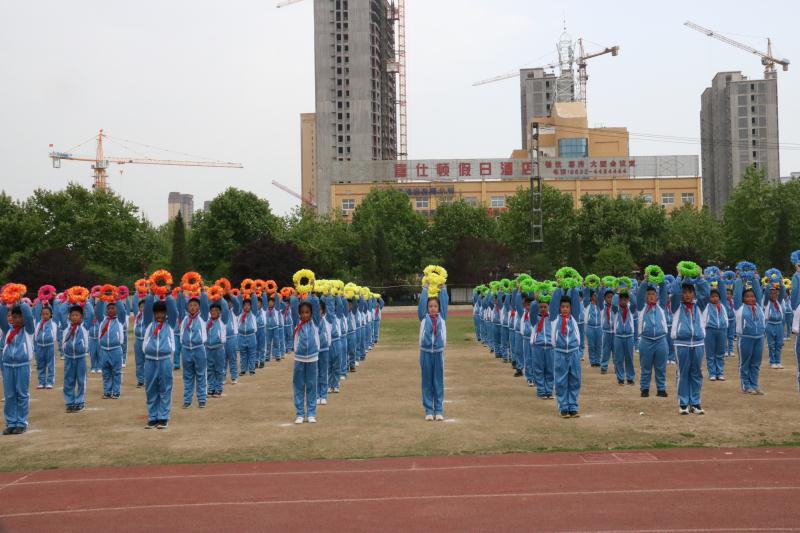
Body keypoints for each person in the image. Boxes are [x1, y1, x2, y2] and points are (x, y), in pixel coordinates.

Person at [670, 275, 709, 415]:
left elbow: (706, 292)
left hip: (698, 343)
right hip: (681, 343)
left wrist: (700, 277)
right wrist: (679, 276)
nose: (687, 295)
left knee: (696, 373)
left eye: (689, 292)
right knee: (683, 373)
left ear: (694, 294)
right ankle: (683, 403)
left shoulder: (699, 306)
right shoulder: (676, 306)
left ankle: (696, 403)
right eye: (684, 292)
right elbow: (673, 292)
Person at [142, 293, 179, 429]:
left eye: (162, 313)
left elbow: (174, 310)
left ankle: (163, 417)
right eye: (156, 313)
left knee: (165, 388)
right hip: (150, 360)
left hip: (165, 360)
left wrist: (168, 295)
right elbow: (146, 309)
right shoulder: (148, 324)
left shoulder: (170, 325)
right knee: (150, 389)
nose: (159, 316)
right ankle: (152, 417)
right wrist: (151, 294)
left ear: (166, 313)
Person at [1, 302, 35, 434]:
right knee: (9, 395)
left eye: (19, 317)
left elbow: (28, 315)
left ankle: (21, 422)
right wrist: (4, 303)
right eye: (14, 317)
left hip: (22, 366)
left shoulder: (28, 330)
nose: (17, 320)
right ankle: (11, 422)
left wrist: (21, 302)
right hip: (8, 366)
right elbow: (1, 315)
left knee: (22, 394)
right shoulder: (7, 330)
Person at [418, 283, 448, 421]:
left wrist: (443, 289)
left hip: (438, 352)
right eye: (430, 306)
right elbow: (422, 304)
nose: (433, 309)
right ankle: (429, 410)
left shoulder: (442, 317)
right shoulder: (424, 318)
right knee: (427, 381)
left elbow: (445, 303)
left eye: (435, 306)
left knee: (438, 381)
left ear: (439, 307)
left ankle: (439, 410)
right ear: (427, 308)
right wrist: (425, 290)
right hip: (425, 353)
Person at [636, 279, 669, 397]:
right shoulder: (641, 308)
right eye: (648, 294)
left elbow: (664, 291)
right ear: (645, 296)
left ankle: (661, 389)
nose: (651, 296)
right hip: (645, 340)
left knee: (661, 367)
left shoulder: (661, 307)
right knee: (646, 367)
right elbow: (639, 294)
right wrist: (644, 281)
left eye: (653, 294)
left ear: (657, 296)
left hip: (661, 340)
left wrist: (661, 281)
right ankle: (644, 389)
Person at [552, 291, 582, 417]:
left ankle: (573, 406)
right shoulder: (555, 319)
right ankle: (563, 406)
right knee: (561, 380)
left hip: (574, 352)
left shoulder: (573, 318)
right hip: (560, 353)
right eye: (563, 307)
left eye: (567, 307)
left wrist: (573, 286)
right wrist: (559, 287)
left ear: (571, 308)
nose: (565, 309)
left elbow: (575, 300)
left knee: (575, 379)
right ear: (559, 308)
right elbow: (553, 303)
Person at [293, 295, 322, 424]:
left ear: (311, 314)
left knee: (311, 386)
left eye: (307, 312)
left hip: (312, 359)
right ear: (299, 314)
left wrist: (313, 295)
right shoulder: (296, 323)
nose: (305, 315)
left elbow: (316, 307)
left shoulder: (315, 323)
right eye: (302, 312)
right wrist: (296, 294)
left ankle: (311, 413)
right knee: (299, 386)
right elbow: (294, 305)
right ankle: (300, 414)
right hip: (299, 359)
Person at [734, 277, 765, 394]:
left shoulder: (759, 307)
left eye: (752, 296)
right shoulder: (739, 307)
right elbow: (737, 293)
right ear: (742, 298)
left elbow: (758, 291)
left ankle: (754, 385)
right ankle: (746, 385)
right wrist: (739, 280)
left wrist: (755, 279)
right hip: (745, 338)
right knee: (745, 363)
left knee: (756, 363)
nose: (750, 298)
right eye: (747, 296)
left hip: (759, 338)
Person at [61, 302, 94, 412]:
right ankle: (70, 402)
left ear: (81, 317)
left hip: (80, 358)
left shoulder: (84, 327)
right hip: (69, 358)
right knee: (68, 381)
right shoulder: (66, 327)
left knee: (81, 381)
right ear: (69, 317)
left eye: (77, 315)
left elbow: (91, 313)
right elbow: (61, 312)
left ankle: (80, 402)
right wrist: (67, 301)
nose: (74, 317)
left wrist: (86, 301)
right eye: (72, 315)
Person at [179, 293, 208, 408]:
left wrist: (203, 291)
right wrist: (181, 291)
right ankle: (187, 400)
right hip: (186, 350)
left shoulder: (202, 318)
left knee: (201, 374)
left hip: (199, 349)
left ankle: (201, 399)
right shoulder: (184, 319)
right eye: (190, 305)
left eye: (195, 305)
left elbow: (205, 303)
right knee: (188, 375)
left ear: (199, 307)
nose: (192, 307)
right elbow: (180, 304)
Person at [96, 297, 128, 399]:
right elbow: (97, 310)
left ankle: (116, 391)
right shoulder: (102, 320)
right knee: (106, 372)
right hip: (104, 350)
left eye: (113, 308)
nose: (110, 310)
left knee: (116, 372)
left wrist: (117, 298)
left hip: (116, 349)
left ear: (117, 309)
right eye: (108, 309)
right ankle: (107, 391)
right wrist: (101, 299)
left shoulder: (120, 320)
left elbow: (122, 310)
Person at [530, 292, 555, 400]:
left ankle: (549, 391)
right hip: (538, 347)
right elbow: (532, 311)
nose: (543, 309)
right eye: (541, 307)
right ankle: (541, 391)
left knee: (550, 369)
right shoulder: (535, 318)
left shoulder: (553, 318)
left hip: (550, 347)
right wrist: (536, 300)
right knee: (539, 369)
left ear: (549, 307)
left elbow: (555, 307)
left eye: (545, 307)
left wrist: (552, 295)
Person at [703, 286, 730, 381]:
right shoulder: (706, 305)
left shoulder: (722, 305)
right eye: (712, 296)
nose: (714, 298)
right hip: (710, 330)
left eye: (716, 296)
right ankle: (712, 373)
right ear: (709, 298)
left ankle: (720, 372)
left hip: (722, 330)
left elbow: (723, 290)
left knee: (720, 352)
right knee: (710, 353)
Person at [205, 298, 229, 398]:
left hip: (219, 348)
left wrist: (220, 297)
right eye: (212, 311)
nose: (214, 312)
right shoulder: (206, 321)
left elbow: (226, 309)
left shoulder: (222, 320)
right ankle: (211, 388)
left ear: (220, 312)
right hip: (208, 348)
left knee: (219, 369)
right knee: (210, 369)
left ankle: (218, 388)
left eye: (216, 311)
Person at [612, 289, 636, 386]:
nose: (623, 301)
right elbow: (613, 303)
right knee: (618, 358)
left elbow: (634, 302)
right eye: (621, 299)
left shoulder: (631, 309)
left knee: (629, 358)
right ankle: (620, 378)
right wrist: (617, 293)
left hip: (629, 336)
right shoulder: (616, 309)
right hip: (618, 336)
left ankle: (630, 378)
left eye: (625, 299)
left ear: (627, 300)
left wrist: (629, 292)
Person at [33, 303, 57, 389]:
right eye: (43, 314)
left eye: (47, 314)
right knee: (40, 364)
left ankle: (50, 381)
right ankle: (41, 382)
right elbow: (35, 335)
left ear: (51, 315)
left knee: (50, 364)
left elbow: (54, 336)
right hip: (40, 346)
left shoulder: (53, 324)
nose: (45, 315)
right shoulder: (38, 324)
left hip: (49, 346)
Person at [762, 279, 786, 369]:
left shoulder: (778, 302)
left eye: (776, 293)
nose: (774, 295)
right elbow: (767, 292)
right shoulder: (766, 303)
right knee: (771, 345)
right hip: (770, 325)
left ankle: (778, 361)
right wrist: (769, 282)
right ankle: (772, 361)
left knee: (779, 344)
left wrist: (780, 282)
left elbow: (783, 291)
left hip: (779, 325)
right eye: (772, 293)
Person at [238, 293, 258, 376]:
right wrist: (241, 294)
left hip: (251, 335)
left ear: (251, 306)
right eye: (245, 305)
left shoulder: (253, 313)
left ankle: (252, 369)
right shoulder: (240, 313)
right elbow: (238, 302)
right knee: (243, 353)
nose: (246, 307)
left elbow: (255, 302)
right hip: (242, 335)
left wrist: (253, 293)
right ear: (243, 306)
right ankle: (243, 369)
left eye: (248, 305)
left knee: (252, 353)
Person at [222, 294, 240, 385]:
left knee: (232, 358)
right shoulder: (219, 312)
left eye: (229, 302)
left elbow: (237, 303)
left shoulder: (234, 311)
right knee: (223, 359)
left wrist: (231, 294)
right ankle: (223, 377)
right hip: (223, 338)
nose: (227, 304)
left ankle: (234, 377)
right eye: (225, 302)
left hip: (232, 337)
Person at [583, 289, 603, 368]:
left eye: (596, 295)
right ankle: (592, 361)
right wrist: (587, 286)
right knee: (591, 345)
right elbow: (586, 295)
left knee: (598, 345)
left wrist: (601, 287)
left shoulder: (600, 306)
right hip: (590, 327)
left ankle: (598, 361)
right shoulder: (587, 305)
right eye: (594, 295)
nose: (596, 296)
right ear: (591, 297)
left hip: (598, 327)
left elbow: (601, 296)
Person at [317, 299, 331, 406]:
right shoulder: (311, 322)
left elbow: (331, 307)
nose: (318, 311)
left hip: (325, 349)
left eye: (320, 309)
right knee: (315, 374)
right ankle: (317, 395)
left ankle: (324, 395)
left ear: (323, 311)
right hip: (314, 351)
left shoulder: (327, 320)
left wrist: (329, 295)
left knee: (323, 372)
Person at [598, 287, 615, 375]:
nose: (610, 299)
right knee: (605, 351)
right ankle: (604, 367)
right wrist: (602, 288)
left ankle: (617, 367)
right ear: (605, 298)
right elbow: (599, 297)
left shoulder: (616, 307)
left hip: (615, 333)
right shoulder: (602, 307)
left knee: (616, 351)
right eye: (608, 297)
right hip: (606, 332)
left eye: (612, 297)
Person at [132, 298, 146, 388]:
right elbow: (134, 303)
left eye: (144, 307)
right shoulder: (138, 316)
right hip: (138, 341)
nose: (142, 308)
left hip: (147, 341)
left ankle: (149, 379)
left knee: (149, 361)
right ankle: (141, 380)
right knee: (139, 362)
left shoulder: (151, 316)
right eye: (141, 307)